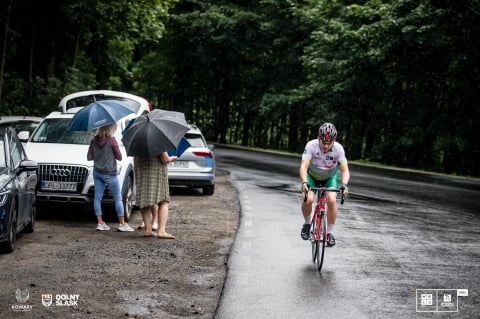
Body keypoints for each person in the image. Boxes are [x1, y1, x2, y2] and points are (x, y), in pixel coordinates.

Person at [299, 122, 350, 246]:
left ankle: (329, 233)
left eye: (329, 143)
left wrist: (344, 184)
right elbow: (304, 166)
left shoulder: (338, 149)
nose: (326, 146)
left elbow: (344, 169)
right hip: (312, 177)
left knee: (332, 200)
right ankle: (307, 224)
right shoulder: (311, 145)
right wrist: (305, 182)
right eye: (323, 143)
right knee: (308, 199)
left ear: (334, 141)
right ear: (319, 138)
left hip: (329, 178)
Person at [87, 123, 134, 232]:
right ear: (110, 129)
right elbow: (119, 157)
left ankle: (100, 223)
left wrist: (98, 153)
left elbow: (89, 157)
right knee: (118, 197)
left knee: (97, 198)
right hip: (110, 173)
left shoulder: (93, 141)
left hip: (97, 172)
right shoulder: (112, 140)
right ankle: (122, 224)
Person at [134, 151, 176, 239]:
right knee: (163, 201)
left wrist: (136, 176)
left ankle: (148, 230)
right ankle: (161, 231)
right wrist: (172, 159)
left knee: (145, 202)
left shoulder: (138, 143)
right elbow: (164, 159)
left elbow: (136, 160)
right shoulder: (159, 140)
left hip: (143, 174)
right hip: (157, 173)